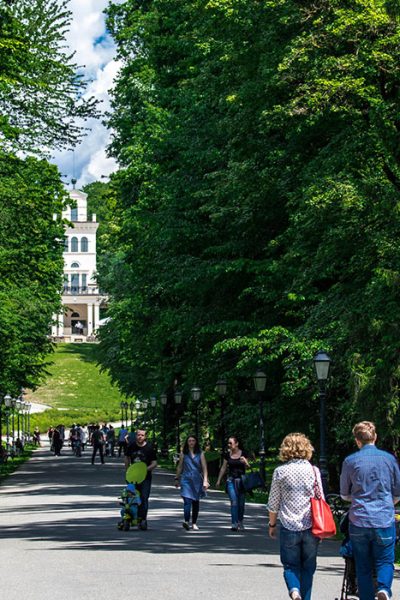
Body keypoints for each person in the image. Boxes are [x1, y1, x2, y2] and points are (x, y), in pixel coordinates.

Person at [340, 421, 400, 600]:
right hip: (383, 519)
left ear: (357, 440)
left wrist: (356, 497)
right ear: (375, 437)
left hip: (359, 520)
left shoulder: (350, 461)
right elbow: (397, 493)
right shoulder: (389, 459)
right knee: (385, 560)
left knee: (362, 566)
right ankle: (383, 589)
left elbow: (344, 494)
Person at [268, 432, 323, 600]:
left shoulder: (280, 472)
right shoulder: (313, 470)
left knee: (290, 566)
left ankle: (294, 590)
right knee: (308, 567)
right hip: (310, 526)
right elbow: (320, 497)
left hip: (289, 526)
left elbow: (273, 502)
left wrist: (272, 525)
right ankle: (304, 596)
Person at [125, 429, 157, 530]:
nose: (140, 437)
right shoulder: (131, 446)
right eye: (138, 435)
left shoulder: (149, 448)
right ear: (136, 436)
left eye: (142, 435)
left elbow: (154, 463)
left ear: (145, 437)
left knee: (144, 498)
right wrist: (128, 471)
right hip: (132, 477)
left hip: (145, 477)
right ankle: (130, 517)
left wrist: (145, 470)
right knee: (130, 498)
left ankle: (143, 519)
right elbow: (126, 458)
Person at [175, 435, 209, 530]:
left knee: (195, 502)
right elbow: (180, 467)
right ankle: (186, 521)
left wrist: (205, 480)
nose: (191, 442)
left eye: (193, 440)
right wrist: (176, 478)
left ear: (196, 442)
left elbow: (204, 467)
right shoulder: (183, 454)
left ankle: (194, 523)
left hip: (197, 480)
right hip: (186, 479)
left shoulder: (200, 454)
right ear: (187, 442)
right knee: (187, 501)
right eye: (189, 441)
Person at [216, 436, 250, 531]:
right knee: (234, 502)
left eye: (231, 443)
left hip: (242, 481)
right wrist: (219, 480)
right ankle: (234, 523)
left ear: (237, 443)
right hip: (231, 480)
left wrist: (245, 462)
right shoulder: (227, 455)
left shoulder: (243, 453)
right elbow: (223, 467)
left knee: (241, 504)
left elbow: (248, 468)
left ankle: (240, 521)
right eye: (228, 443)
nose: (229, 445)